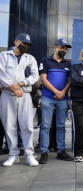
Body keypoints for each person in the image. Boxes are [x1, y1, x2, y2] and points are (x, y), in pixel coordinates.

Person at [0, 33, 39, 166]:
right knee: (9, 125)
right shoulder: (4, 56)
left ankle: (29, 154)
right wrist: (13, 88)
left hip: (24, 95)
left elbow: (35, 76)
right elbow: (1, 73)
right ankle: (13, 155)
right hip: (7, 94)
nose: (26, 46)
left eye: (27, 44)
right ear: (16, 41)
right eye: (23, 43)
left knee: (27, 125)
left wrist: (20, 84)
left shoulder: (30, 58)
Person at [38, 38, 73, 164]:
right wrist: (56, 92)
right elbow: (44, 79)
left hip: (63, 98)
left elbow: (69, 81)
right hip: (48, 97)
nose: (64, 50)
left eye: (66, 48)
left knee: (61, 126)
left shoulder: (68, 64)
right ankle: (44, 152)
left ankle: (61, 151)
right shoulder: (45, 60)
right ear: (55, 48)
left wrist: (63, 92)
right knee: (46, 126)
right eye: (62, 47)